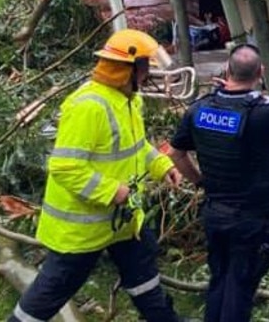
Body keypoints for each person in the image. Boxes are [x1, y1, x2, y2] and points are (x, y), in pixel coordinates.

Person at [10, 28, 187, 322]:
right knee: (51, 292)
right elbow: (66, 167)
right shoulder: (89, 107)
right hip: (81, 230)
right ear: (127, 69)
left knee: (144, 273)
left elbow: (135, 146)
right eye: (145, 67)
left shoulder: (130, 100)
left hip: (123, 222)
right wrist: (110, 191)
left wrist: (162, 165)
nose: (148, 74)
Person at [169, 43, 269, 322]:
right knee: (239, 288)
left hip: (214, 211)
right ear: (261, 72)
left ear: (226, 70)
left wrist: (200, 181)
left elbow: (176, 153)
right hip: (251, 218)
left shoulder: (199, 109)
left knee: (219, 279)